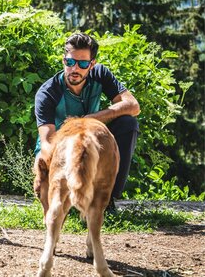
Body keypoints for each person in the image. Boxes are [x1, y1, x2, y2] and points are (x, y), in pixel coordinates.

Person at [34, 32, 140, 208]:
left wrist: (92, 118)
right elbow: (46, 143)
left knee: (128, 124)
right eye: (70, 62)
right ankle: (67, 195)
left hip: (91, 142)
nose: (75, 69)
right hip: (60, 151)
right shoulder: (47, 92)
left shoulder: (100, 74)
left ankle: (107, 200)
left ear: (92, 64)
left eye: (82, 63)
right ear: (63, 60)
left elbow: (133, 105)